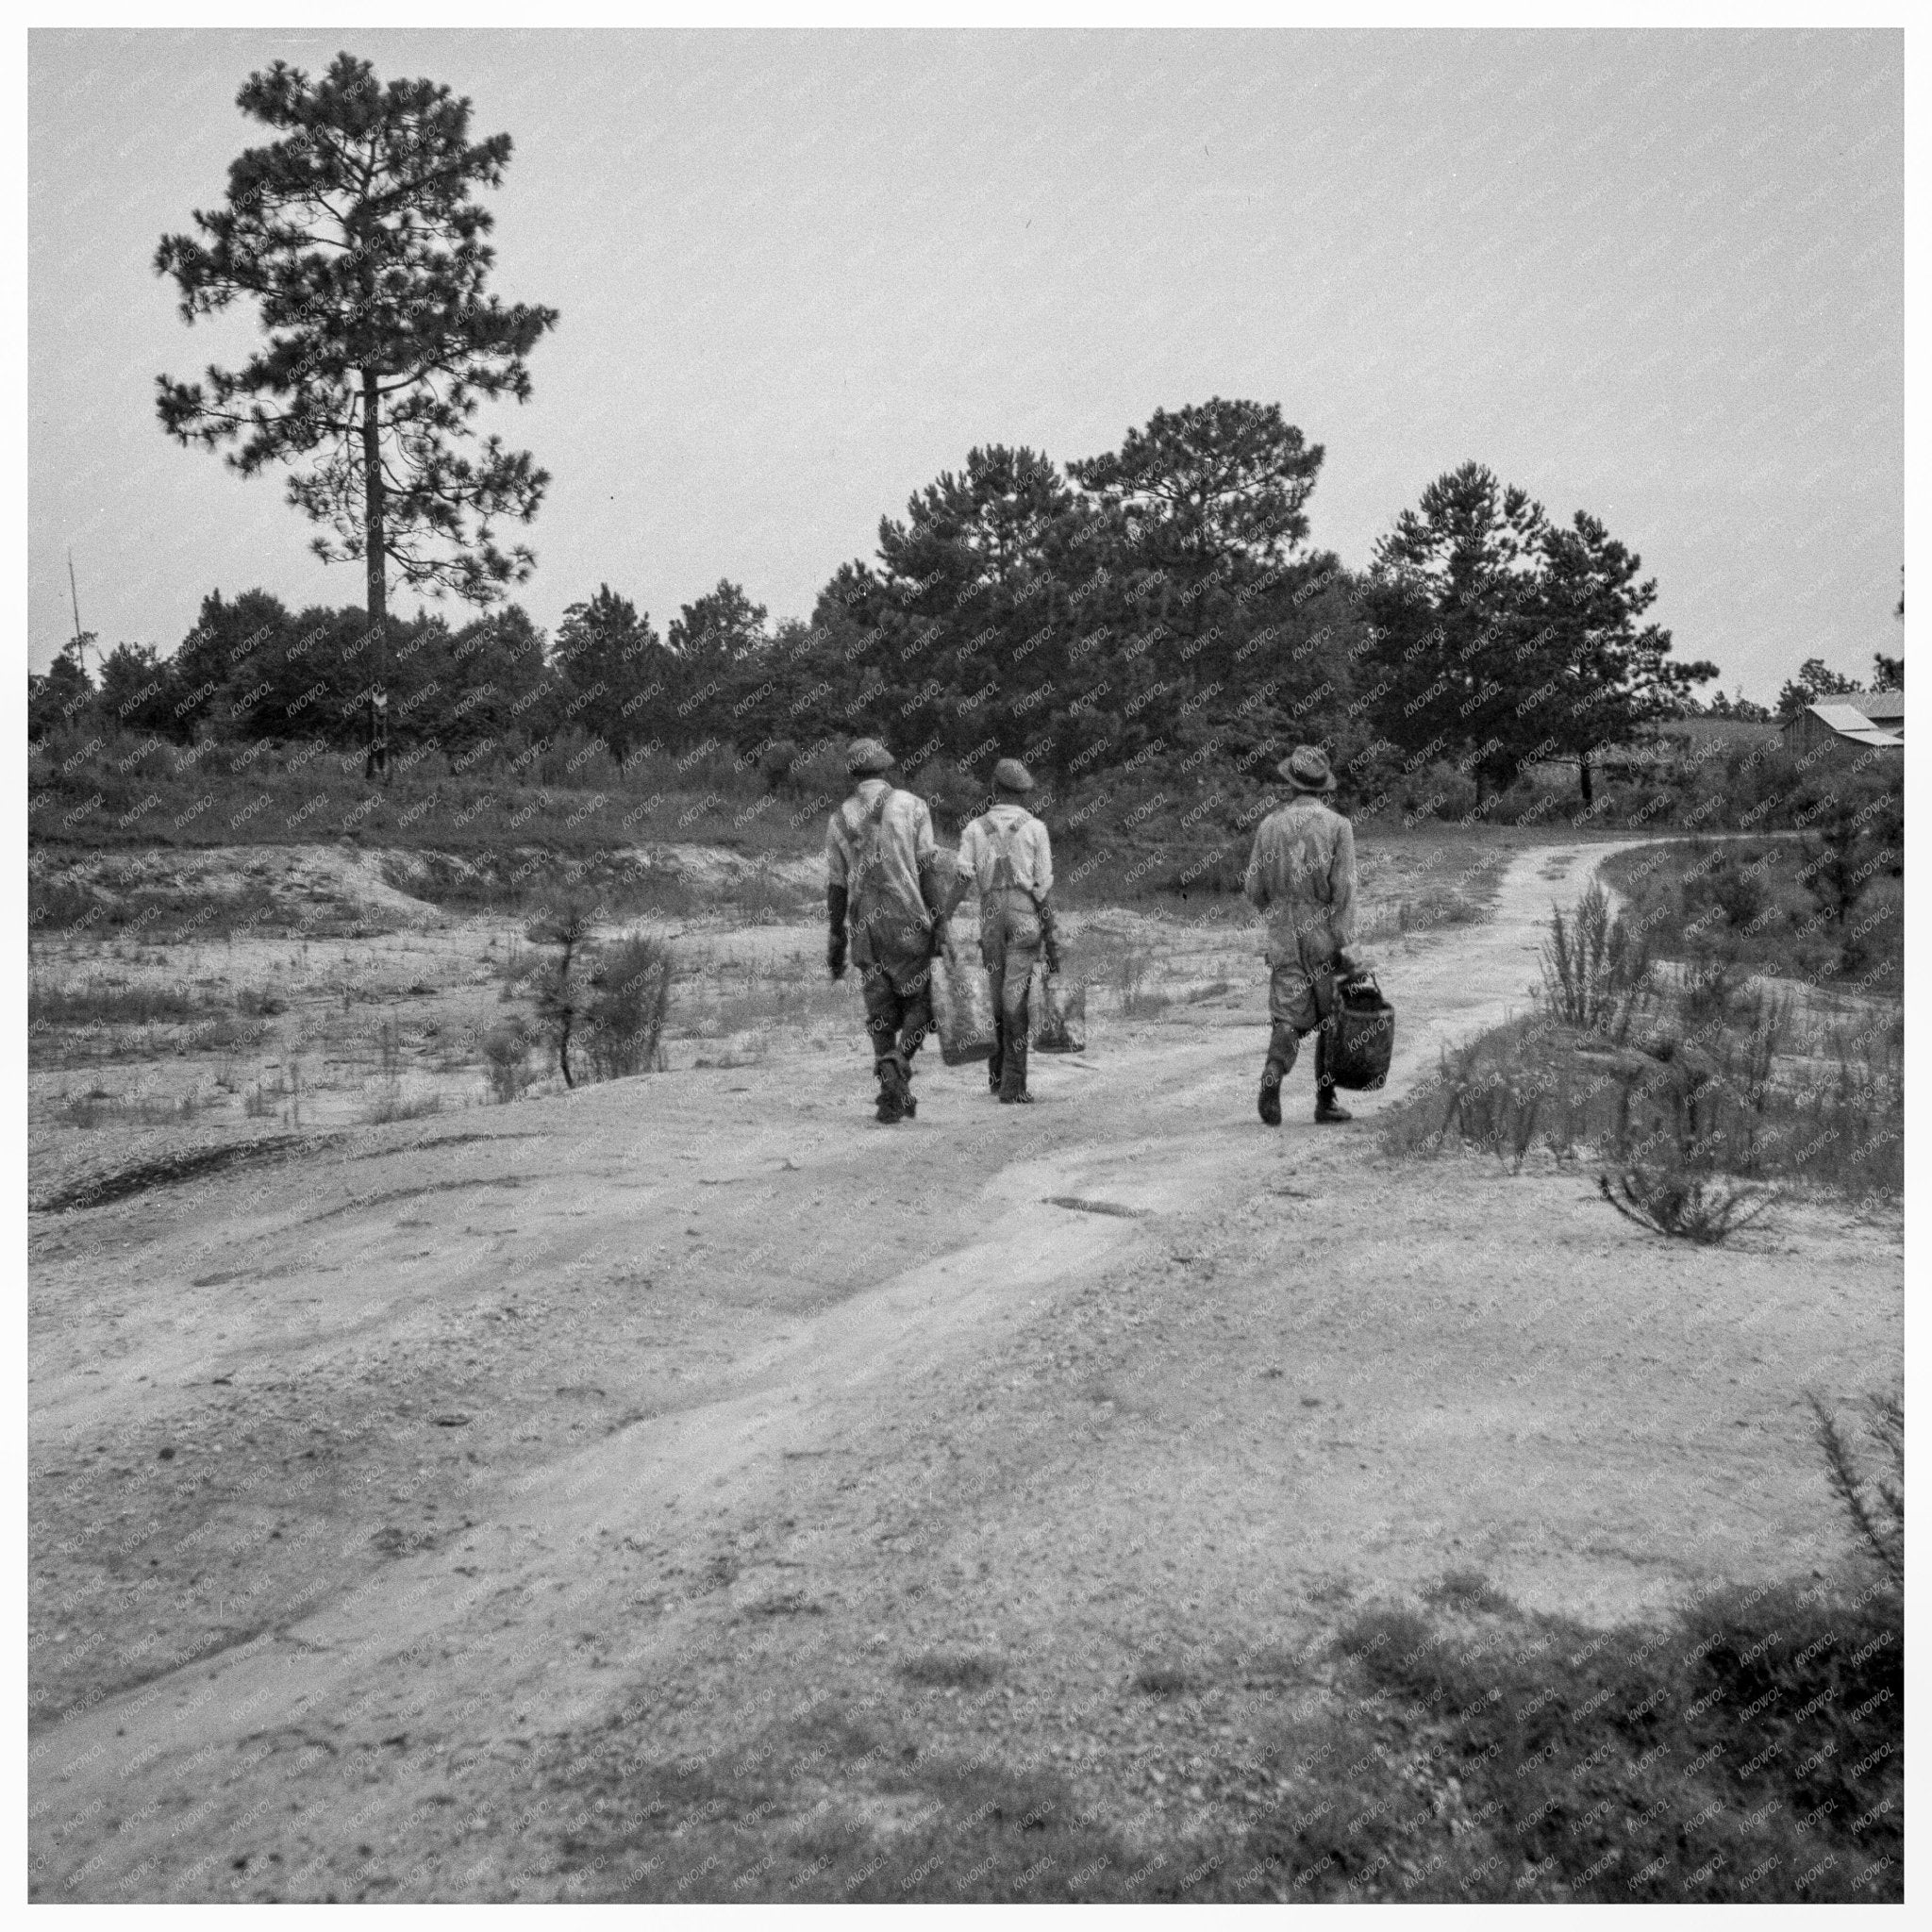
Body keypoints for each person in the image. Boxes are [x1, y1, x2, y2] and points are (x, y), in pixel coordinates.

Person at [824, 738, 948, 1124]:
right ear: (884, 768)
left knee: (879, 1010)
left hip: (864, 924)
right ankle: (899, 1061)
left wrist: (836, 937)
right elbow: (927, 867)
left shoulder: (838, 818)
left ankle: (892, 1093)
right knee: (921, 1002)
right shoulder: (912, 806)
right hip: (908, 916)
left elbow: (836, 885)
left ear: (853, 773)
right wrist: (940, 920)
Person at [1243, 743, 1359, 1125]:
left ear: (1290, 785)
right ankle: (1325, 1101)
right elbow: (1344, 889)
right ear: (1323, 788)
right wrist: (1343, 942)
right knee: (1329, 1016)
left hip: (1281, 926)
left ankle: (1273, 1076)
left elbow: (1254, 888)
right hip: (1322, 926)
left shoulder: (1269, 826)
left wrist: (1277, 912)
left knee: (1287, 1013)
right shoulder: (1338, 827)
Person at [952, 758, 1061, 1105]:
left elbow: (961, 878)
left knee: (996, 995)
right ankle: (1015, 1085)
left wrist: (942, 917)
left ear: (993, 789)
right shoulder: (1035, 828)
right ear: (1023, 795)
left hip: (990, 914)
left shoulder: (973, 828)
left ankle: (996, 1077)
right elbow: (1042, 887)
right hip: (1025, 913)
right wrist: (1052, 938)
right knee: (1017, 997)